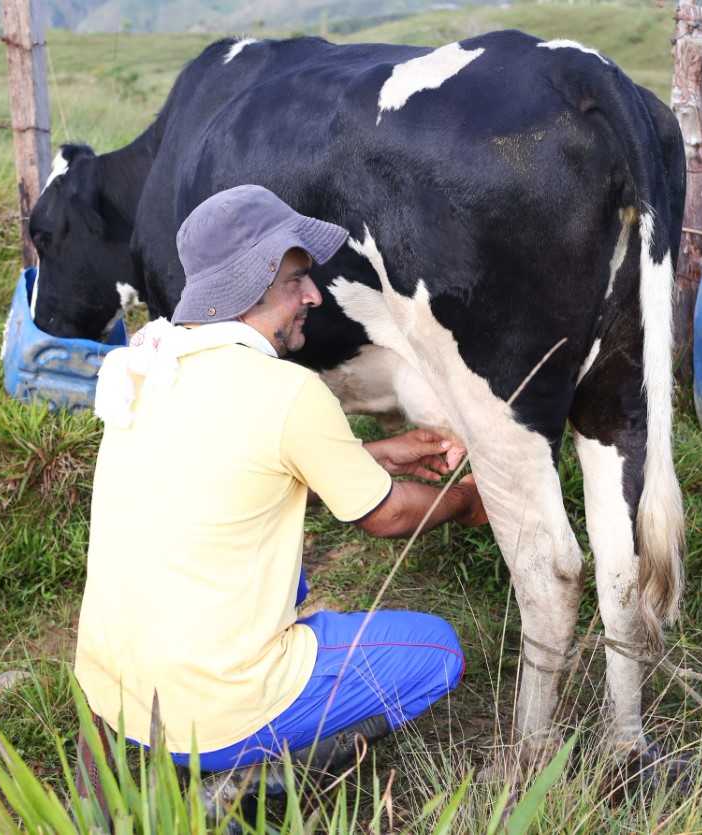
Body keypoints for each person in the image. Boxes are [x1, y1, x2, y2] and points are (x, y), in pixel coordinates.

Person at [73, 184, 488, 800]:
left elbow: (237, 477)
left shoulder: (144, 368)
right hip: (215, 708)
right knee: (437, 651)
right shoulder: (287, 392)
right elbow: (389, 516)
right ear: (255, 280)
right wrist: (469, 499)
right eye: (297, 279)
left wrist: (372, 455)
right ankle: (250, 776)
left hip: (115, 693)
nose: (315, 297)